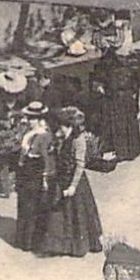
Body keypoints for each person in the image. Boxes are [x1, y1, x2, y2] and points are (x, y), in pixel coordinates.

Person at [36, 107, 104, 257]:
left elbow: (80, 165)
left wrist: (73, 186)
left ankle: (79, 246)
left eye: (63, 126)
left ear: (70, 126)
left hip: (75, 182)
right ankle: (61, 246)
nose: (60, 129)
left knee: (77, 215)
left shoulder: (78, 141)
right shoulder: (62, 137)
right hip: (61, 179)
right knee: (59, 215)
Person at [12, 103, 52, 251]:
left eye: (32, 118)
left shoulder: (44, 135)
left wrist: (45, 178)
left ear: (39, 118)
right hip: (25, 171)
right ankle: (21, 239)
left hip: (35, 171)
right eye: (29, 118)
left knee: (32, 206)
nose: (29, 121)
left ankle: (29, 241)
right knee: (23, 203)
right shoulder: (29, 132)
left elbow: (46, 159)